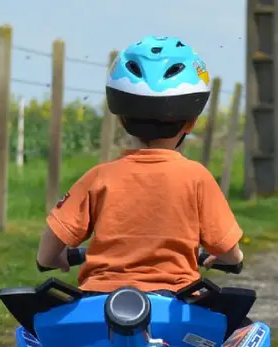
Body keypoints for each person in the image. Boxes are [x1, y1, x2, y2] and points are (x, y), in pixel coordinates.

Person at [36, 35, 244, 295]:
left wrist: (52, 259)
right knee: (240, 330)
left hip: (100, 302)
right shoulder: (196, 178)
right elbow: (228, 250)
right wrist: (230, 259)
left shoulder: (99, 177)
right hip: (174, 304)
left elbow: (49, 247)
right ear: (191, 121)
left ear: (121, 119)